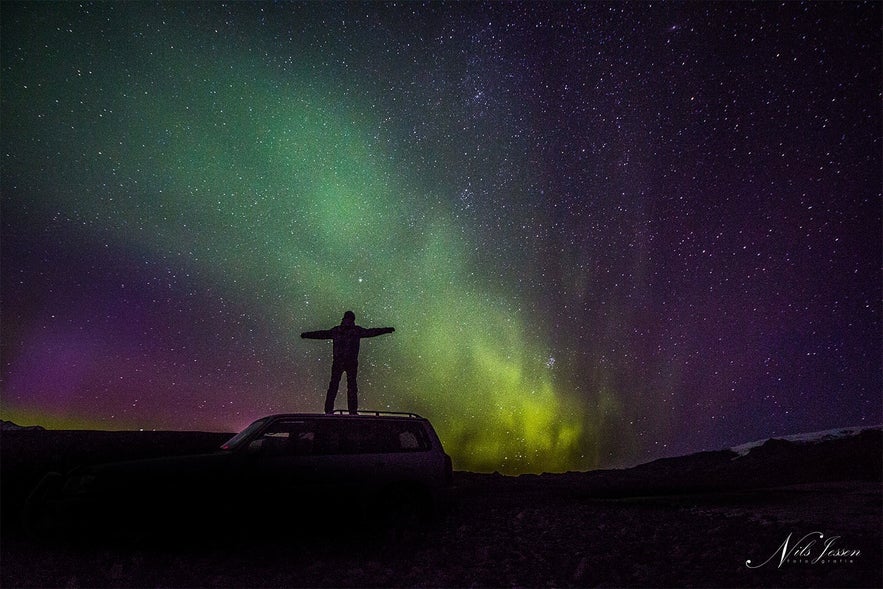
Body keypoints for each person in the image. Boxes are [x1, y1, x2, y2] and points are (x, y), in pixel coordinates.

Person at [301, 311, 395, 414]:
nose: (348, 321)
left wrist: (386, 330)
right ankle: (331, 410)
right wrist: (307, 335)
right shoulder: (340, 331)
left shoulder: (353, 331)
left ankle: (351, 411)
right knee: (336, 386)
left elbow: (372, 332)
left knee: (349, 387)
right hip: (340, 363)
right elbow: (321, 334)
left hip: (349, 363)